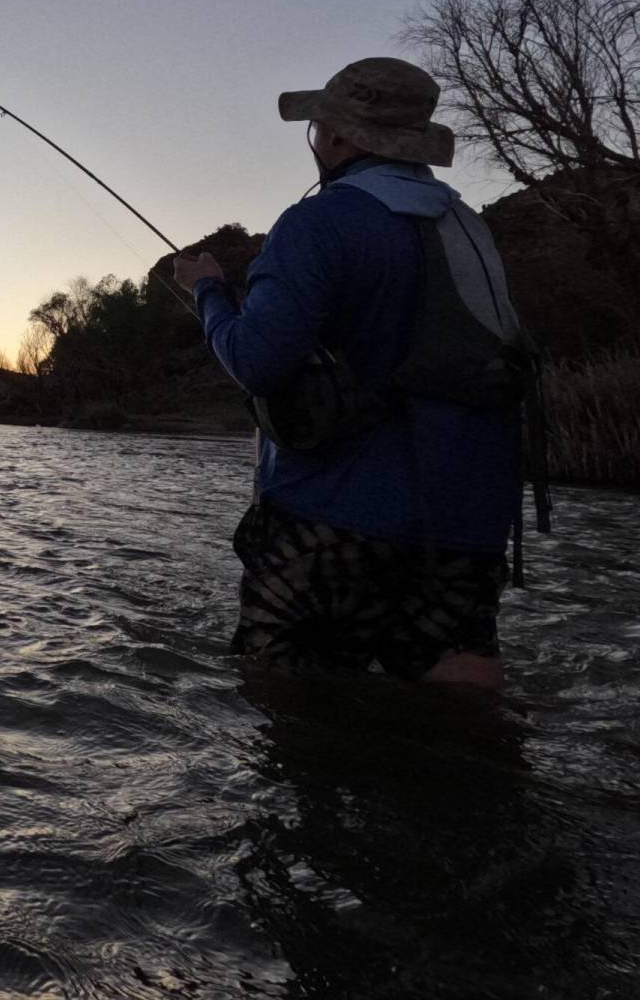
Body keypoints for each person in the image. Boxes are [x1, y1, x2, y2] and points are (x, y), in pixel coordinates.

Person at [173, 58, 525, 690]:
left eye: (317, 127)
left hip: (333, 515)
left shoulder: (319, 221)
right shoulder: (473, 228)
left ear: (335, 138)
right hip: (469, 523)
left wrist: (208, 293)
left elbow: (257, 361)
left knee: (291, 713)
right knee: (462, 714)